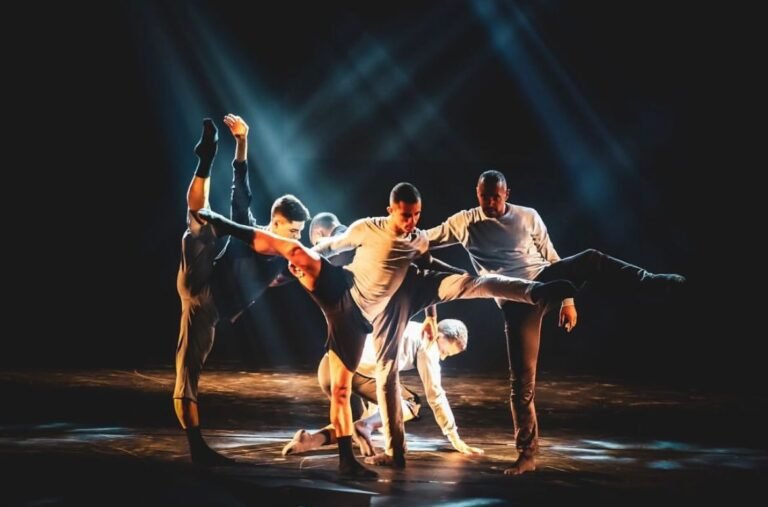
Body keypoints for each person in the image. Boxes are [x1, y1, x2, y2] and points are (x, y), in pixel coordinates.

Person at [198, 181, 577, 473]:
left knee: (473, 284)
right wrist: (302, 263)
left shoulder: (418, 240)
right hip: (345, 296)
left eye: (416, 215)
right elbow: (332, 246)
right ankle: (223, 223)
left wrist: (438, 305)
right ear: (390, 210)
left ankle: (537, 291)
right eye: (404, 215)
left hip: (376, 313)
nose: (411, 223)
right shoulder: (368, 227)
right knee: (298, 255)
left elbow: (435, 266)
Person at [425, 170, 687, 475]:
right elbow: (427, 239)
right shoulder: (464, 222)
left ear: (507, 193)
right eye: (484, 196)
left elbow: (551, 257)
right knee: (521, 383)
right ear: (477, 193)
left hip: (544, 281)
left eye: (496, 196)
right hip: (514, 300)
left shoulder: (527, 216)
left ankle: (649, 281)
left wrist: (567, 300)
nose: (490, 202)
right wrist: (394, 235)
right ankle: (527, 454)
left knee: (590, 258)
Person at [174, 115, 310, 466]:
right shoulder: (252, 231)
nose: (296, 238)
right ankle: (206, 157)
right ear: (275, 222)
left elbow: (300, 272)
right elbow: (241, 186)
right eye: (293, 231)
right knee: (200, 222)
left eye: (299, 232)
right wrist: (242, 141)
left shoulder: (286, 259)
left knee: (197, 227)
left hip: (203, 284)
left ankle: (204, 162)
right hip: (203, 296)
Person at [282, 315, 483, 457]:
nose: (443, 357)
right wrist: (455, 438)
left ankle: (308, 441)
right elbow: (435, 395)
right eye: (446, 352)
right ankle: (366, 426)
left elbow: (381, 375)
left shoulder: (410, 326)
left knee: (347, 427)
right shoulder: (428, 342)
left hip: (329, 367)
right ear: (439, 336)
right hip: (354, 373)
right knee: (413, 403)